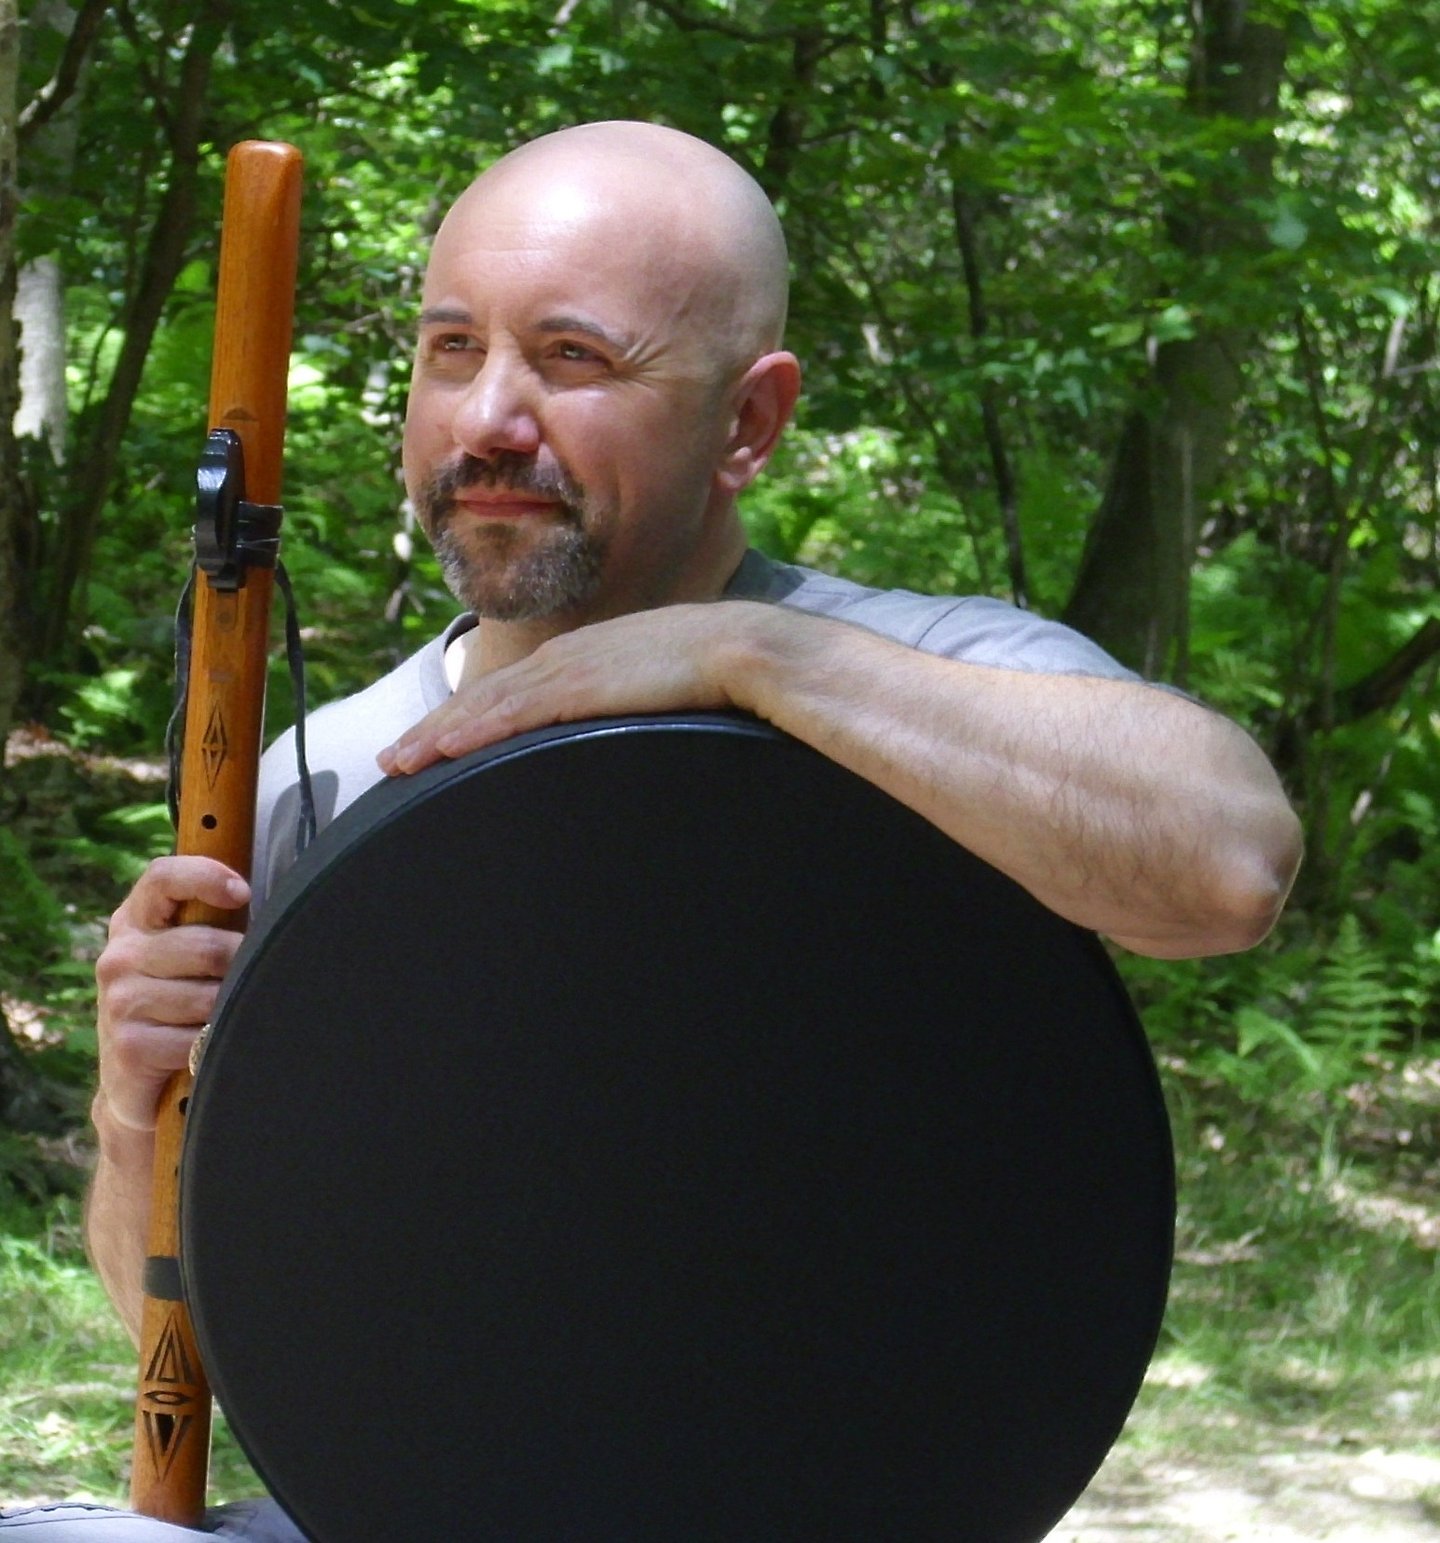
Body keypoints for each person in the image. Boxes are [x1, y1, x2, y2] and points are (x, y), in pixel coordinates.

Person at [3, 120, 1302, 1539]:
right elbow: (197, 1331)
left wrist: (756, 663)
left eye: (573, 358)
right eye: (451, 351)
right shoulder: (309, 776)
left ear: (749, 421)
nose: (491, 417)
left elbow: (1228, 867)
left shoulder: (911, 682)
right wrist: (140, 1118)